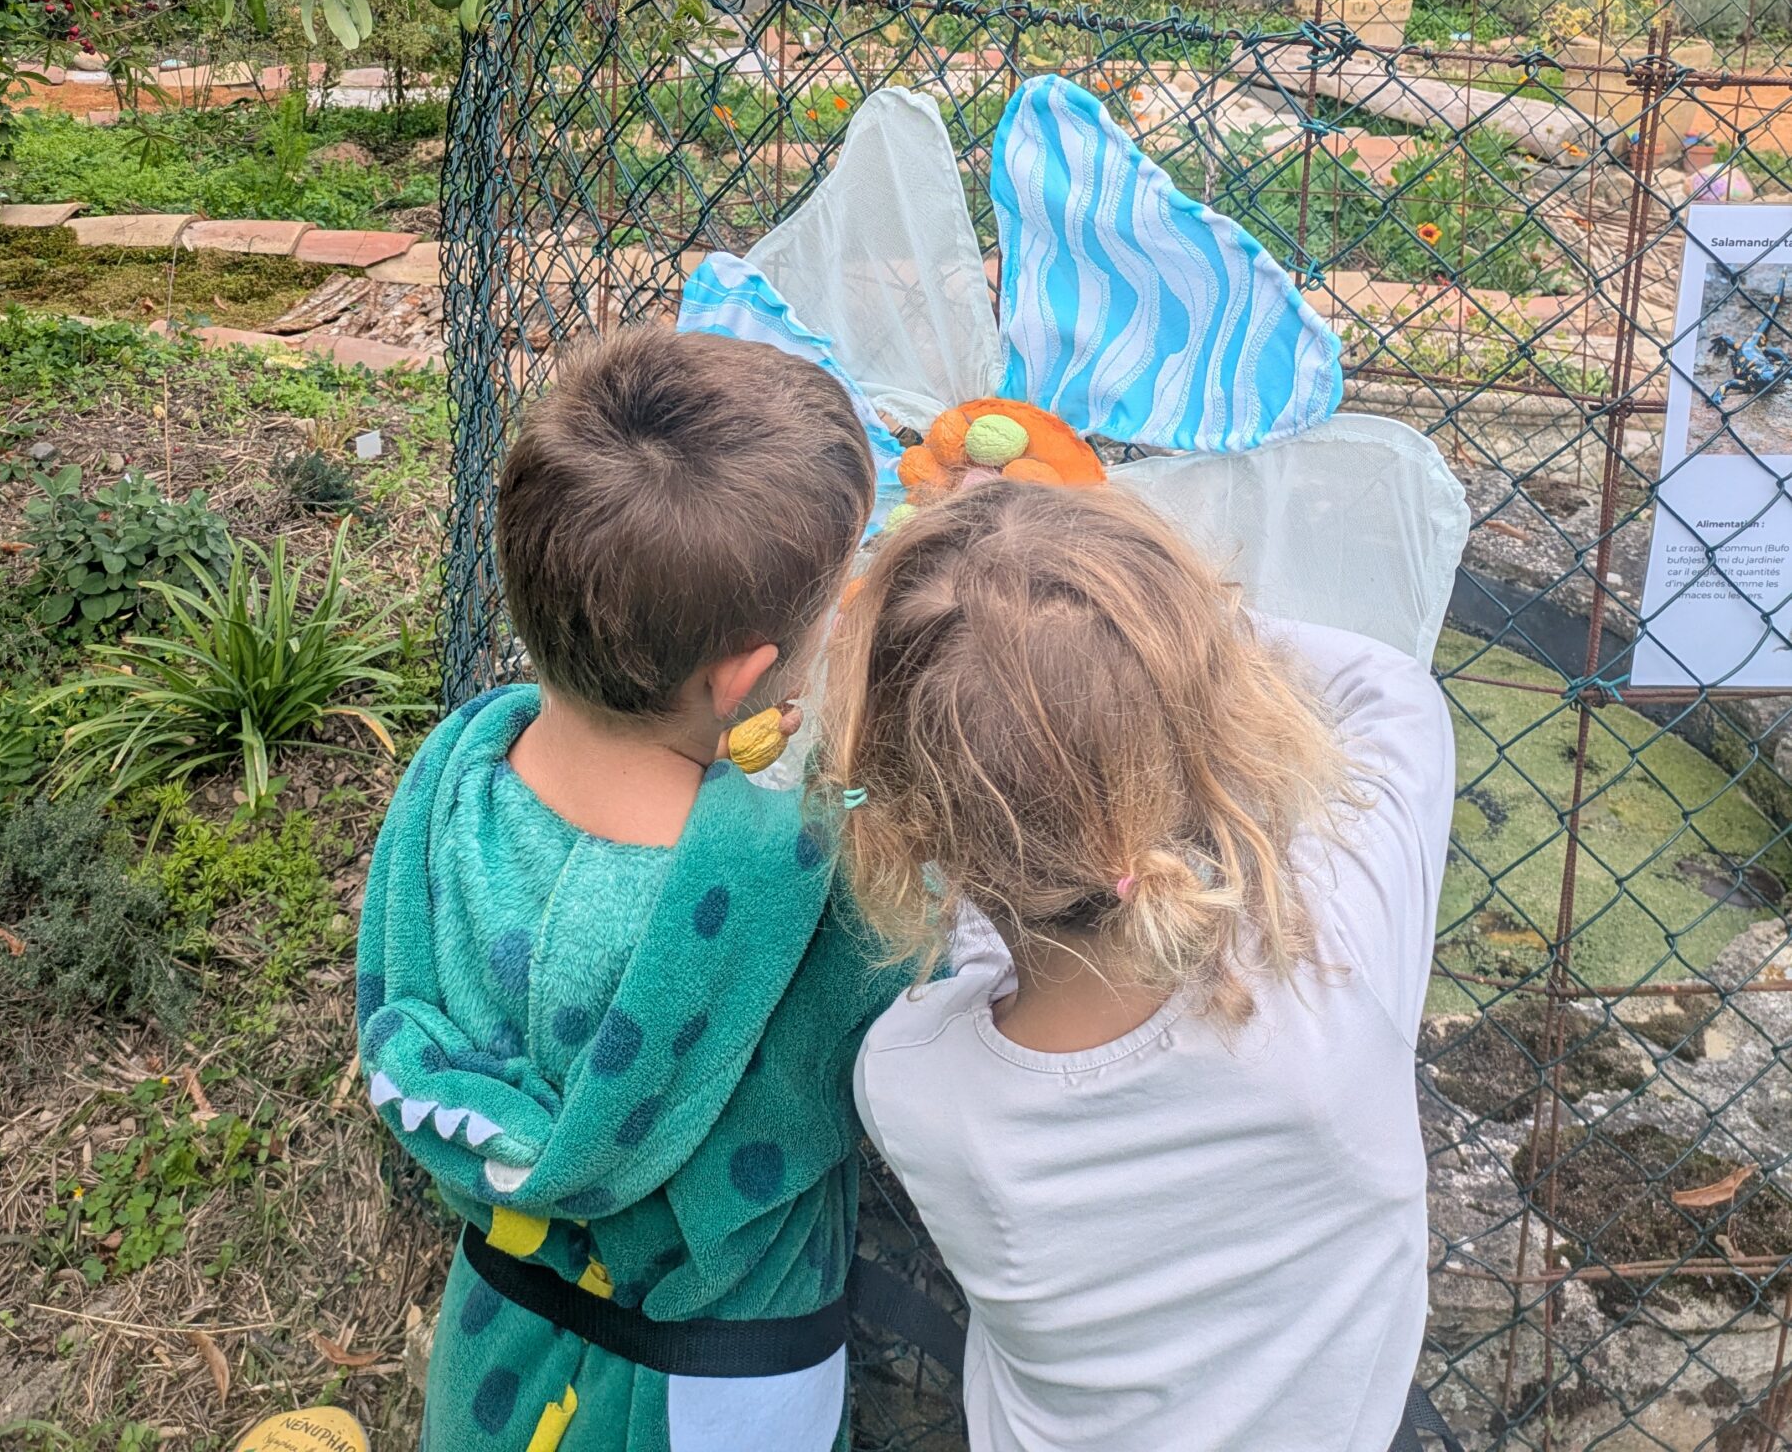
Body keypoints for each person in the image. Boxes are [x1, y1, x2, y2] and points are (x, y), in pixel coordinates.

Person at [357, 327, 909, 1452]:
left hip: (504, 1329)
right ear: (745, 678)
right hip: (722, 1383)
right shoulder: (807, 882)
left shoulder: (452, 781)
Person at [829, 478, 1455, 1452]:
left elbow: (1006, 924)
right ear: (1215, 715)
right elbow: (1392, 694)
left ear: (912, 820)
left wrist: (1026, 638)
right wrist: (1155, 623)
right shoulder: (1331, 981)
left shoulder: (906, 1076)